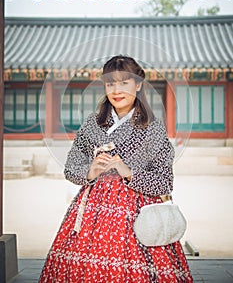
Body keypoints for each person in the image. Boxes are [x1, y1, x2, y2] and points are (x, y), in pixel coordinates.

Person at [39, 55, 193, 282]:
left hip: (139, 214)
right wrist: (90, 171)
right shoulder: (92, 124)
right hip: (92, 213)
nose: (116, 90)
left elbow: (164, 182)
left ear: (138, 85)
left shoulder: (153, 128)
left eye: (124, 82)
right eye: (110, 83)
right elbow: (71, 168)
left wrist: (127, 170)